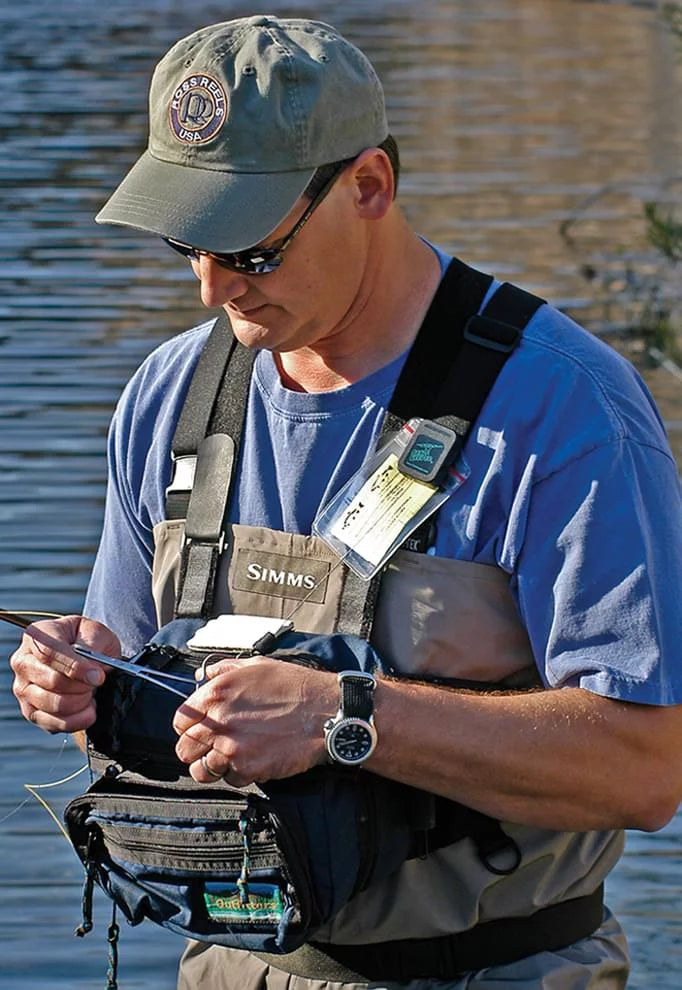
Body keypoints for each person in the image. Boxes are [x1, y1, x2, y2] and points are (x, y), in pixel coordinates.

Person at [10, 14, 682, 990]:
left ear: (368, 186)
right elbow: (133, 685)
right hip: (226, 964)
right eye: (185, 243)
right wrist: (85, 683)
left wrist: (344, 717)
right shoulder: (168, 396)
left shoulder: (564, 406)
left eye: (254, 250)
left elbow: (645, 769)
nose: (212, 290)